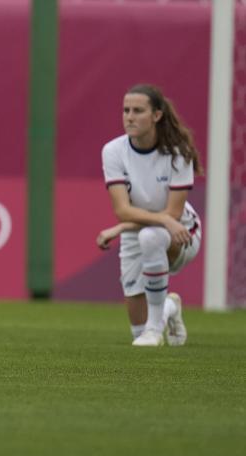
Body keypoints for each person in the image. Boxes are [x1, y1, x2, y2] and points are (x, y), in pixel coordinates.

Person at [97, 83, 202, 347]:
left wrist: (120, 229)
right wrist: (126, 226)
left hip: (181, 232)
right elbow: (122, 210)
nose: (129, 117)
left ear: (156, 115)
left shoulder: (179, 153)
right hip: (141, 229)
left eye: (138, 111)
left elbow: (173, 214)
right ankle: (169, 308)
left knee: (151, 237)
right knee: (137, 332)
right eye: (125, 110)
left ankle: (156, 329)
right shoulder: (113, 151)